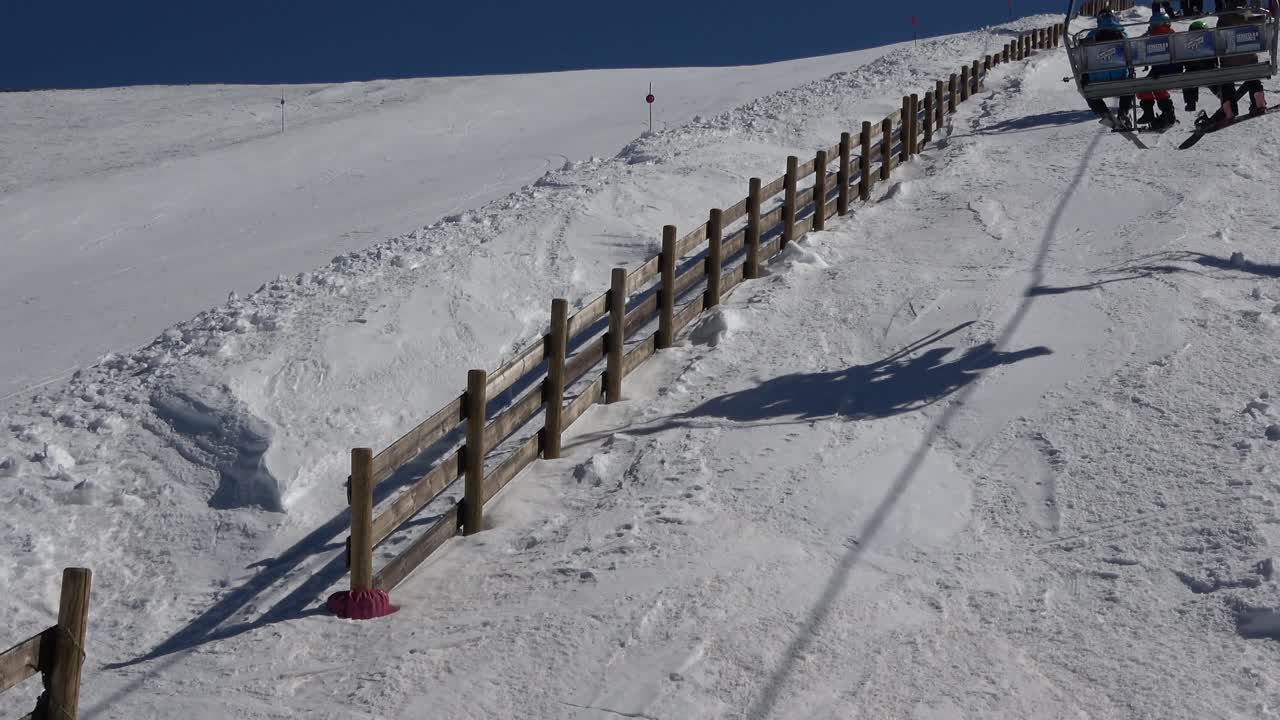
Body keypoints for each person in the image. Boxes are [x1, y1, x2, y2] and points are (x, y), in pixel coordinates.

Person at [1210, 0, 1268, 123]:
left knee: (1226, 81)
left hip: (1229, 63)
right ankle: (1259, 102)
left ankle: (1229, 110)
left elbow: (1219, 42)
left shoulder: (1223, 18)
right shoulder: (1248, 15)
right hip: (1249, 61)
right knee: (1252, 72)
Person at [1083, 11, 1137, 127]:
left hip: (1096, 79)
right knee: (1128, 86)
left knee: (1087, 91)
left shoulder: (1092, 35)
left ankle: (1104, 113)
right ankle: (1124, 112)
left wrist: (1084, 76)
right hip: (1120, 77)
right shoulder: (1122, 35)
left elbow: (1082, 56)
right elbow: (1131, 55)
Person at [1136, 9, 1179, 127]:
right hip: (1173, 69)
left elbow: (1138, 50)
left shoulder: (1151, 37)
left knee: (1144, 86)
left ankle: (1149, 113)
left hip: (1160, 70)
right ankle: (1168, 114)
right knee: (1158, 88)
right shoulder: (1172, 34)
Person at [1181, 20, 1218, 111]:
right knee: (1211, 79)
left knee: (1187, 79)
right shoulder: (1209, 41)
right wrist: (1215, 64)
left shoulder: (1187, 43)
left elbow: (1183, 59)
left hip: (1192, 71)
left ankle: (1190, 102)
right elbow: (1214, 56)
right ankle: (1221, 95)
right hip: (1209, 69)